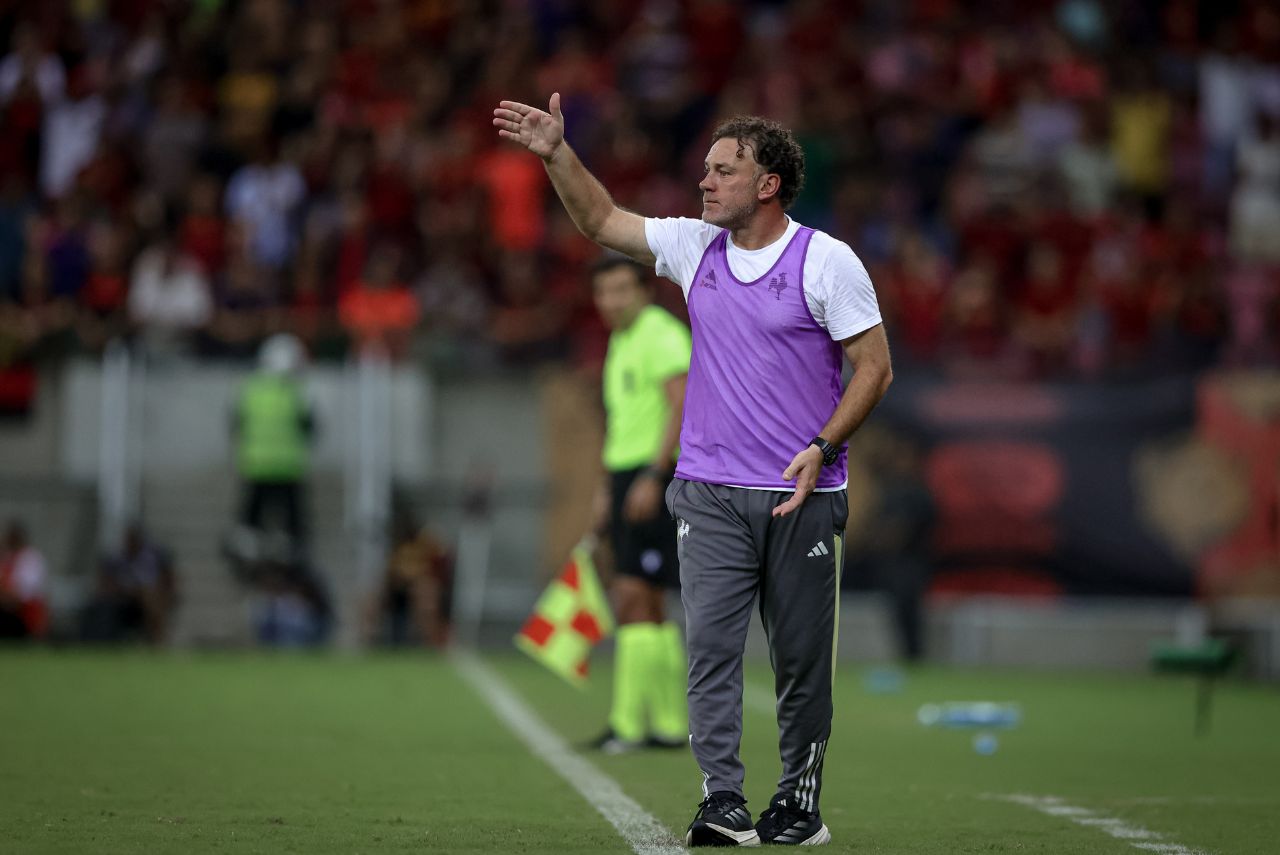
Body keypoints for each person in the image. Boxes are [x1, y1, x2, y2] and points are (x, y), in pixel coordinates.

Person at [494, 97, 892, 847]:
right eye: (706, 168)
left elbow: (875, 367)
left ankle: (798, 803)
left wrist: (824, 441)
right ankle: (721, 800)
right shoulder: (692, 247)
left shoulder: (827, 260)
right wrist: (556, 155)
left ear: (767, 183)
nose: (704, 182)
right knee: (709, 650)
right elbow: (601, 219)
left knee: (801, 663)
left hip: (800, 495)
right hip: (706, 492)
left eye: (723, 170)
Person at [587, 255, 691, 754]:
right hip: (627, 474)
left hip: (654, 473)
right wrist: (607, 487)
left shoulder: (660, 334)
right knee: (647, 599)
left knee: (631, 593)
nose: (612, 301)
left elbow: (682, 402)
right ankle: (669, 725)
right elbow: (623, 421)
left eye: (621, 290)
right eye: (604, 292)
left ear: (643, 291)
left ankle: (628, 725)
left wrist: (653, 474)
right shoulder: (621, 339)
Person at [231, 333, 315, 554]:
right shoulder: (296, 392)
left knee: (255, 506)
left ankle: (249, 539)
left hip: (257, 462)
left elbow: (236, 423)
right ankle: (288, 543)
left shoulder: (250, 389)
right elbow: (309, 426)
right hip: (288, 464)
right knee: (290, 509)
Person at [0, 519, 48, 640]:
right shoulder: (6, 558)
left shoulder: (31, 558)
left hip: (22, 611)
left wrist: (7, 595)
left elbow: (25, 592)